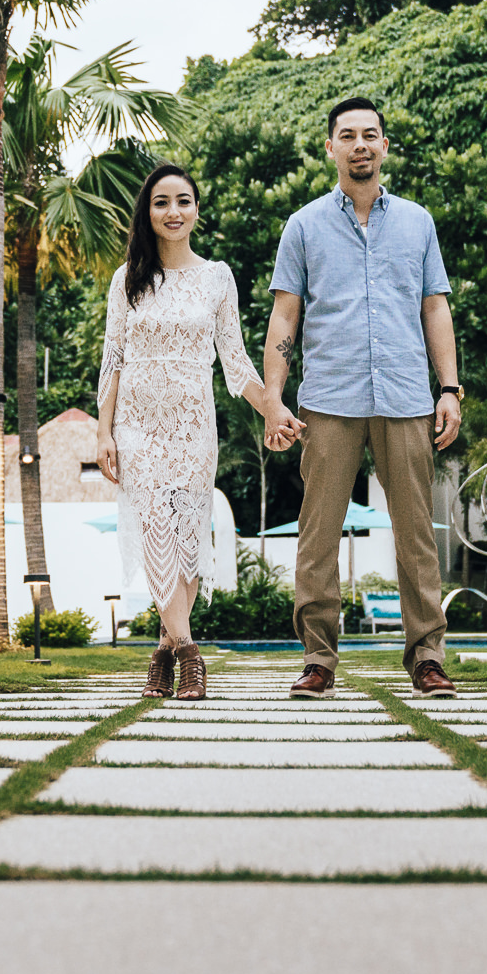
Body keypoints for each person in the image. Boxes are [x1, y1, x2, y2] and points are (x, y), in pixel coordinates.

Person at [263, 96, 462, 698]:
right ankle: (318, 660)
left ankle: (427, 658)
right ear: (331, 147)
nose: (360, 145)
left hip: (406, 394)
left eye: (370, 134)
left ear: (383, 144)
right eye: (347, 135)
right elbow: (284, 315)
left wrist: (449, 387)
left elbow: (435, 306)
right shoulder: (303, 225)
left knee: (416, 536)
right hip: (329, 397)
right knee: (318, 533)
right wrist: (275, 397)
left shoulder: (418, 223)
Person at [97, 163, 300, 700]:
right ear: (148, 211)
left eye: (183, 201)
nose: (173, 212)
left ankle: (162, 654)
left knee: (188, 539)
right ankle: (190, 654)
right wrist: (103, 432)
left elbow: (234, 361)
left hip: (192, 423)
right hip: (137, 424)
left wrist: (272, 410)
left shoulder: (218, 277)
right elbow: (112, 358)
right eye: (161, 202)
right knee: (155, 531)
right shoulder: (127, 279)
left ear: (196, 210)